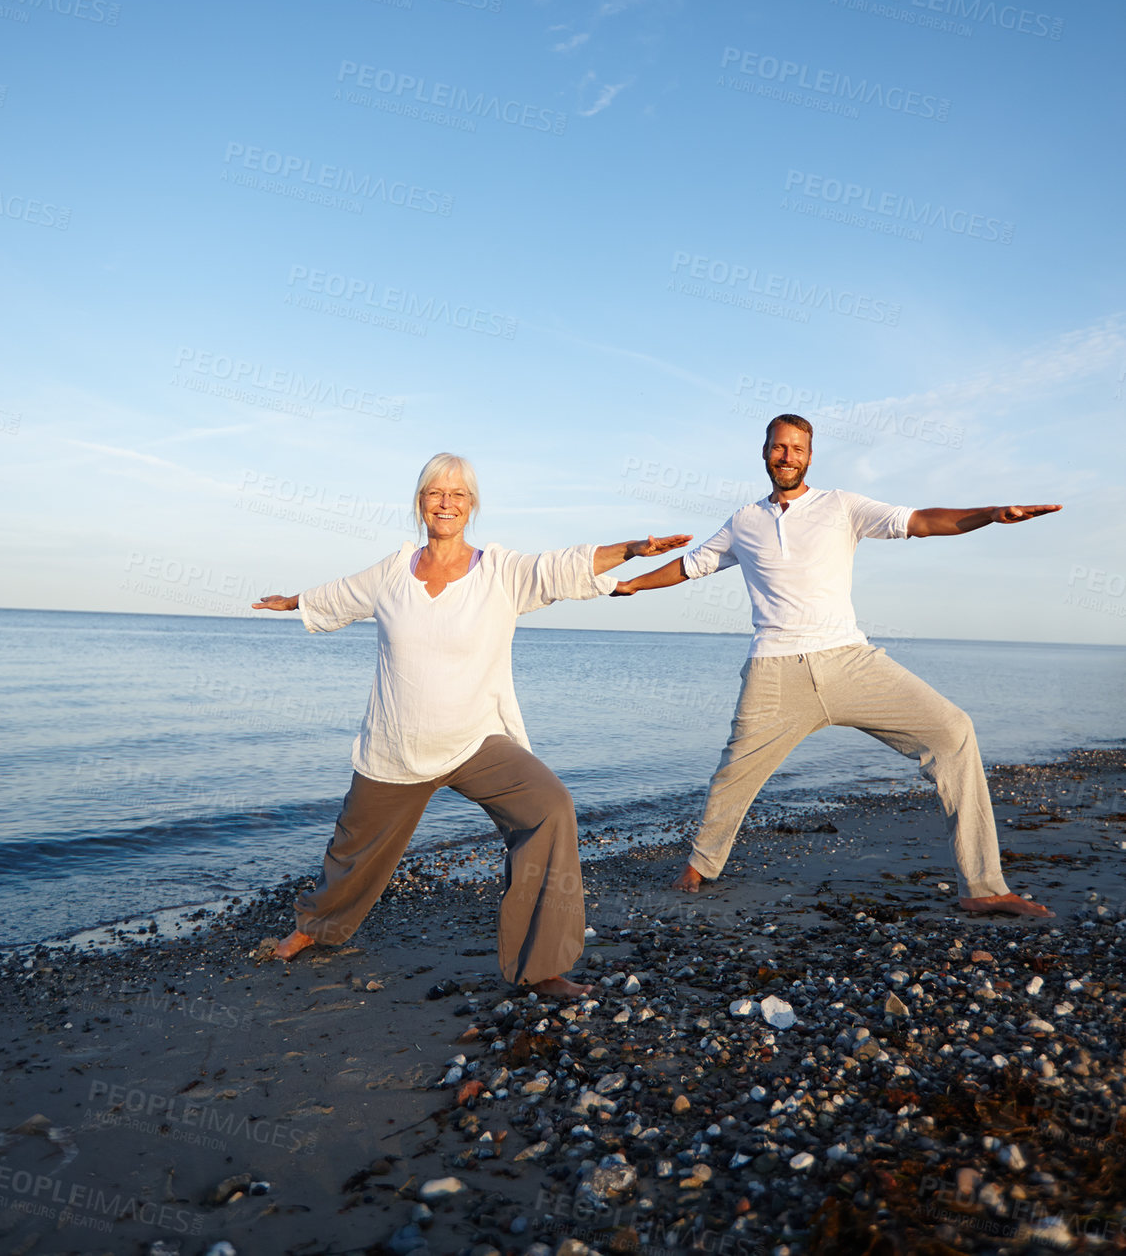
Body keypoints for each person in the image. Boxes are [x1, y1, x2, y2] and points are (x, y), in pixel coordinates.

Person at [253, 451, 688, 994]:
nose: (447, 503)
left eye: (458, 495)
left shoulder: (500, 572)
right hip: (396, 745)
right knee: (353, 849)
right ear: (421, 502)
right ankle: (314, 929)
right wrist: (291, 601)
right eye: (437, 493)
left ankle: (541, 967)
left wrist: (629, 549)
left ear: (472, 506)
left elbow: (557, 567)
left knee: (550, 809)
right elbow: (339, 595)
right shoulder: (393, 571)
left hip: (474, 740)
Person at [612, 414, 1061, 918]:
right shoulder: (743, 522)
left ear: (809, 456)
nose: (787, 456)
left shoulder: (841, 506)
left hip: (851, 663)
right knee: (733, 775)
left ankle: (983, 888)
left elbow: (920, 521)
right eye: (779, 447)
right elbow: (688, 566)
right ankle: (697, 868)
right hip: (775, 672)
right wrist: (632, 585)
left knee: (955, 731)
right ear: (764, 452)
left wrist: (991, 513)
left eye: (797, 449)